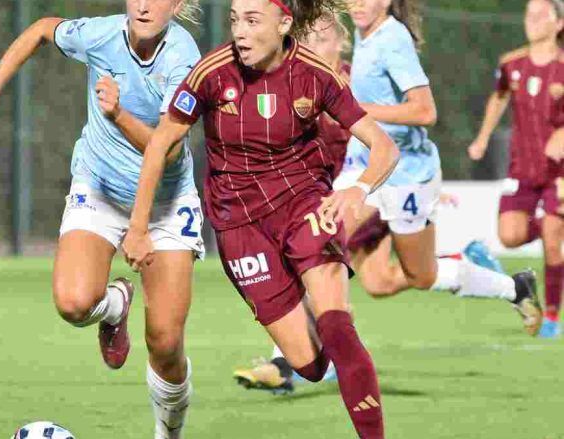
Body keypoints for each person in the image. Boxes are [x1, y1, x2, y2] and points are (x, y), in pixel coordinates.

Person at [122, 0, 400, 436]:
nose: (240, 32)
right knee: (308, 364)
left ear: (285, 23)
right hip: (239, 224)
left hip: (304, 201)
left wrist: (357, 187)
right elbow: (161, 144)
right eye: (235, 20)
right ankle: (318, 309)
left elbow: (384, 146)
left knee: (337, 323)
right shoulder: (211, 72)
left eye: (252, 21)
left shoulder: (316, 74)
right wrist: (138, 228)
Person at [231, 10, 519, 395]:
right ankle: (504, 283)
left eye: (321, 40)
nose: (312, 47)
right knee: (384, 281)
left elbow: (407, 120)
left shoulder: (350, 82)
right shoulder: (296, 82)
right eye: (308, 40)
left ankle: (287, 364)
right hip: (343, 191)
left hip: (366, 191)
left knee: (311, 251)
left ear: (340, 43)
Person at [0, 1, 203, 437]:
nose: (145, 5)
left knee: (165, 344)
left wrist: (118, 114)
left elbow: (166, 152)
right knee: (74, 304)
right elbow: (40, 29)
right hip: (99, 187)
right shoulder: (99, 34)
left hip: (165, 204)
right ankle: (115, 304)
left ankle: (168, 434)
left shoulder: (184, 61)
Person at [343, 0, 542, 332]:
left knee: (421, 276)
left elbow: (424, 112)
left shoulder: (392, 40)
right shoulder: (364, 30)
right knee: (367, 274)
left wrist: (355, 109)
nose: (357, 3)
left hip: (406, 174)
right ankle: (303, 357)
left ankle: (513, 287)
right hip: (368, 164)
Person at [469, 0, 564, 339]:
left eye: (542, 15)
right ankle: (528, 275)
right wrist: (482, 137)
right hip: (521, 168)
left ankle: (552, 316)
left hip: (559, 173)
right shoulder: (512, 63)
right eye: (529, 14)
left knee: (553, 239)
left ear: (559, 24)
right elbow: (498, 98)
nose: (533, 20)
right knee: (509, 236)